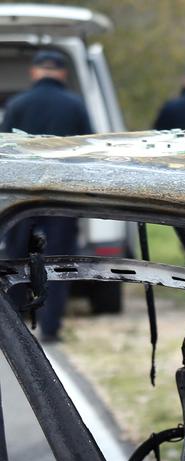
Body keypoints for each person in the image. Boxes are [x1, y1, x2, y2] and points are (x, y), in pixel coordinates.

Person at [1, 49, 90, 343]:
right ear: (63, 73)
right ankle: (50, 329)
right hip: (60, 197)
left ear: (34, 72)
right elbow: (89, 152)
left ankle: (13, 329)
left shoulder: (17, 105)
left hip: (22, 197)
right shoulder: (75, 105)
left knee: (13, 259)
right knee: (58, 261)